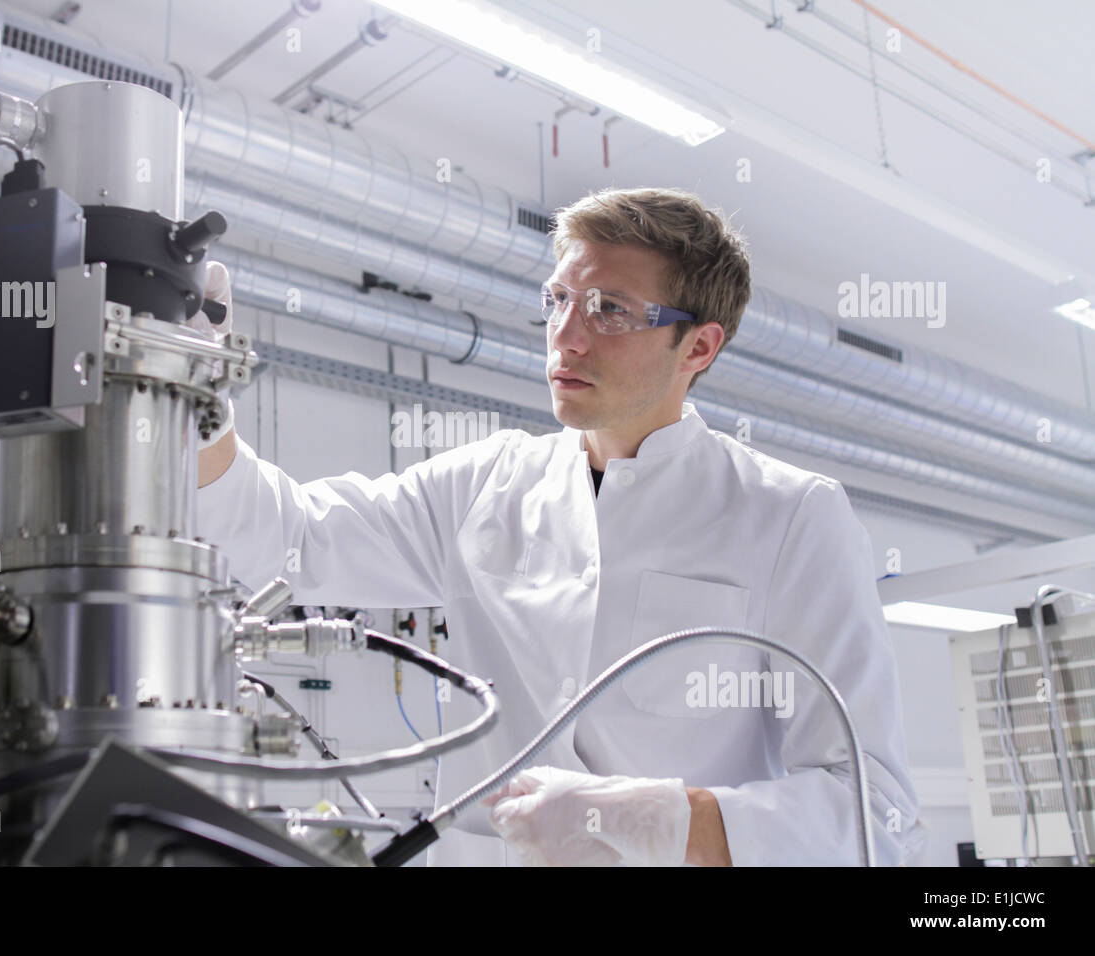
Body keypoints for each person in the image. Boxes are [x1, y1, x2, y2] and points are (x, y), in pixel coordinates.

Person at [195, 186, 923, 866]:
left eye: (609, 309)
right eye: (558, 299)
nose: (565, 337)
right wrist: (197, 396)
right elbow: (291, 539)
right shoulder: (484, 485)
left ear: (698, 348)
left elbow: (876, 814)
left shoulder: (791, 516)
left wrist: (669, 822)